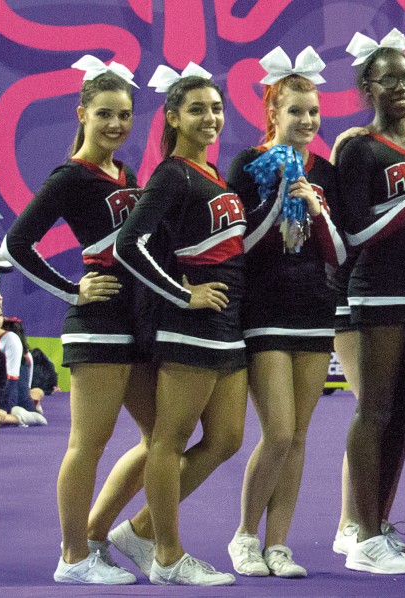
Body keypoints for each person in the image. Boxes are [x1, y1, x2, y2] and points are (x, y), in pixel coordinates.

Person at [115, 63, 277, 586]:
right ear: (173, 116)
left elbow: (234, 246)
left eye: (216, 108)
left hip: (227, 325)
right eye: (197, 109)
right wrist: (184, 294)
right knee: (169, 439)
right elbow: (128, 244)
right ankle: (166, 555)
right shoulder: (172, 173)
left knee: (227, 438)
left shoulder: (212, 173)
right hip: (189, 326)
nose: (211, 117)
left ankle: (139, 530)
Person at [3, 56, 151, 584]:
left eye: (125, 115)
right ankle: (72, 557)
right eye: (105, 114)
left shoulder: (125, 173)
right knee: (88, 442)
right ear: (81, 113)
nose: (116, 124)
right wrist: (73, 288)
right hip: (96, 325)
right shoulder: (70, 176)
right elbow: (17, 244)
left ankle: (101, 533)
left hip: (133, 322)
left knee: (160, 439)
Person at [224, 47, 344, 579]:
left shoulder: (326, 172)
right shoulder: (248, 165)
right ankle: (244, 537)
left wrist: (315, 210)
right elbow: (236, 245)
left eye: (314, 112)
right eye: (296, 111)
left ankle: (278, 544)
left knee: (299, 437)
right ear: (273, 111)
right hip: (265, 308)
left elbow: (340, 255)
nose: (307, 121)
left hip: (315, 309)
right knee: (277, 432)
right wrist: (277, 201)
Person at [336, 39, 405, 575]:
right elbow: (354, 232)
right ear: (367, 89)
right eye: (389, 81)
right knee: (373, 408)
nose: (401, 88)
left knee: (400, 410)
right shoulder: (360, 148)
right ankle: (362, 532)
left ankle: (379, 527)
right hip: (379, 291)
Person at [0, 302, 47, 428]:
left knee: (34, 394)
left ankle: (19, 416)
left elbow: (13, 380)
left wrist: (4, 409)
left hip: (9, 393)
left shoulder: (10, 339)